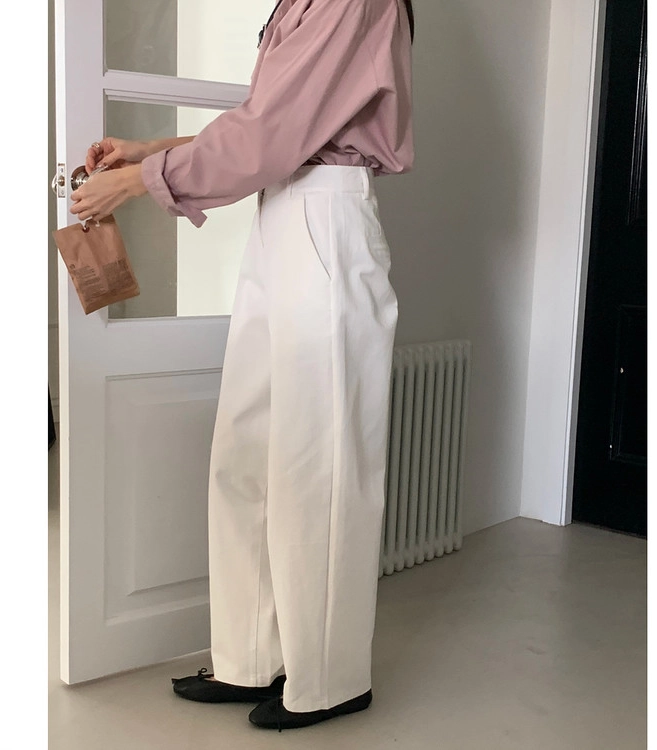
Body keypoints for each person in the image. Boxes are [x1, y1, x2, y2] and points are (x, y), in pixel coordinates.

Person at [70, 0, 414, 732]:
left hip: (324, 217)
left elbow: (275, 133)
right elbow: (272, 121)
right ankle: (248, 657)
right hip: (283, 211)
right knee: (247, 452)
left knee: (318, 465)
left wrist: (139, 180)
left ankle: (329, 678)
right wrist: (151, 151)